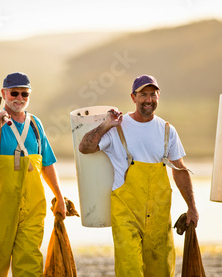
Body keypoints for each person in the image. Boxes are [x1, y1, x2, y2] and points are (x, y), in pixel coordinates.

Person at [79, 74, 199, 276]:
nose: (149, 100)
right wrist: (106, 124)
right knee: (129, 269)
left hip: (159, 217)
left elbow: (180, 171)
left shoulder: (167, 130)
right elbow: (84, 147)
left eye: (153, 94)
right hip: (126, 215)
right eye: (143, 95)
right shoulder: (117, 127)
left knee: (161, 271)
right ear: (133, 97)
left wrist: (192, 208)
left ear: (158, 96)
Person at [0, 72, 66, 277]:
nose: (19, 98)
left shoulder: (35, 124)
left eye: (25, 94)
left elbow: (47, 163)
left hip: (32, 208)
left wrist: (59, 196)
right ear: (4, 94)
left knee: (30, 264)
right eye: (14, 93)